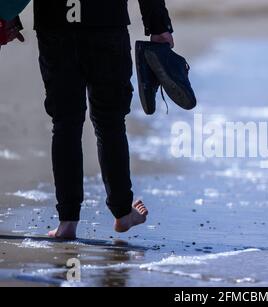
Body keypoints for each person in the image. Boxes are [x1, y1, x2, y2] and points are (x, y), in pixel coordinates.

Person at [33, 0, 175, 239]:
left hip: (55, 22)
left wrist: (7, 15)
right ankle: (122, 212)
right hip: (105, 22)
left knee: (65, 123)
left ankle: (67, 222)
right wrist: (158, 25)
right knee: (110, 122)